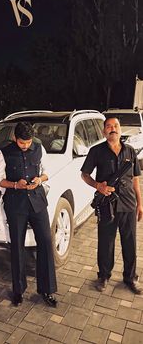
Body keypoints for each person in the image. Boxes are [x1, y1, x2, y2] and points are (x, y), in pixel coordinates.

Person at [0, 121, 57, 307]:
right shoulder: (3, 153)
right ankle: (18, 290)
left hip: (37, 202)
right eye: (22, 143)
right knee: (17, 246)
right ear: (15, 138)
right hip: (16, 205)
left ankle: (47, 289)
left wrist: (40, 179)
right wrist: (14, 184)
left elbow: (47, 172)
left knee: (45, 241)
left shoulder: (39, 148)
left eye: (28, 142)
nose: (26, 146)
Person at [81, 117, 143, 294]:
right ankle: (104, 276)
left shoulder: (130, 151)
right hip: (107, 204)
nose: (112, 129)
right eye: (109, 126)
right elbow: (84, 175)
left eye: (115, 126)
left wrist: (140, 204)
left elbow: (136, 180)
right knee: (106, 242)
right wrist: (97, 186)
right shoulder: (96, 152)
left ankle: (130, 278)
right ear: (104, 131)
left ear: (120, 129)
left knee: (130, 242)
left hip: (128, 204)